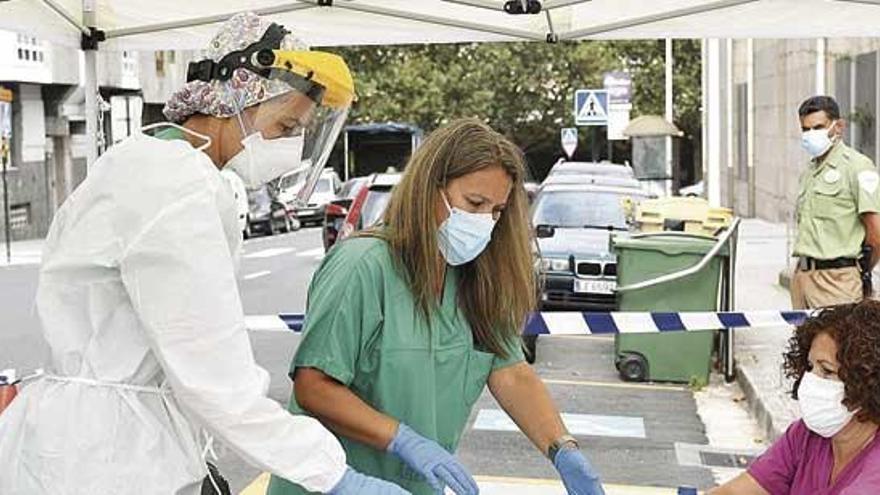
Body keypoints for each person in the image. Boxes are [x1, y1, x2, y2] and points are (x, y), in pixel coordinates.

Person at [0, 13, 408, 495]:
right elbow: (216, 380)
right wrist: (333, 473)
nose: (290, 148)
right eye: (284, 126)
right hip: (109, 460)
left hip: (88, 445)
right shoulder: (176, 184)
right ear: (234, 97)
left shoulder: (145, 159)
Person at [268, 118, 606, 495]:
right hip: (334, 485)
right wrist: (402, 440)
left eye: (496, 211)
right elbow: (315, 386)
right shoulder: (363, 266)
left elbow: (510, 371)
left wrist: (563, 448)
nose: (484, 222)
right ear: (429, 189)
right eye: (474, 203)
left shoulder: (473, 279)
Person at [709, 300, 880, 494]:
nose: (811, 380)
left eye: (827, 370)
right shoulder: (805, 436)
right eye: (809, 367)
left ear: (868, 381)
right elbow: (739, 491)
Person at [790, 95, 880, 309]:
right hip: (803, 278)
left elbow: (876, 233)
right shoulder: (810, 172)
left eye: (818, 127)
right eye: (805, 129)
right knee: (803, 343)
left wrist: (860, 271)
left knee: (827, 344)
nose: (811, 134)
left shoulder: (858, 167)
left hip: (838, 282)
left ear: (838, 127)